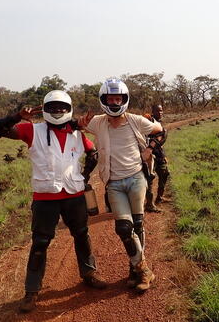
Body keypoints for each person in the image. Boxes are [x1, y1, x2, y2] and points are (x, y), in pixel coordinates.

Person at [0, 90, 107, 313]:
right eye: (53, 107)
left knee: (82, 234)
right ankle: (31, 291)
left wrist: (84, 176)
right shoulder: (32, 130)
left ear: (69, 109)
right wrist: (15, 117)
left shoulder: (77, 133)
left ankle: (89, 273)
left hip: (74, 195)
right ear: (45, 109)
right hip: (45, 197)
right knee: (40, 243)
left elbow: (93, 154)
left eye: (62, 107)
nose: (58, 111)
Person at [78, 78, 162, 293]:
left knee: (138, 225)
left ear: (124, 99)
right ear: (103, 100)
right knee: (124, 228)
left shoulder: (136, 120)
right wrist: (79, 123)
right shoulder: (96, 122)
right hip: (113, 183)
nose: (114, 102)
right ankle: (144, 269)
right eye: (110, 98)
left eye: (118, 98)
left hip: (136, 179)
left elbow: (160, 130)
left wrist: (150, 148)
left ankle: (135, 271)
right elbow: (75, 127)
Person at [143, 104, 170, 212]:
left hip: (159, 154)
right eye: (158, 111)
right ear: (152, 111)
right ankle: (149, 204)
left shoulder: (159, 123)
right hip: (150, 155)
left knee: (165, 173)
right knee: (150, 179)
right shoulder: (148, 120)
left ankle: (159, 197)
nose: (160, 113)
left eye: (161, 111)